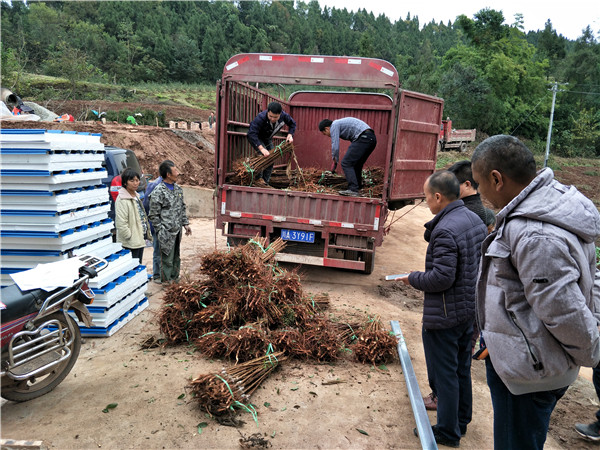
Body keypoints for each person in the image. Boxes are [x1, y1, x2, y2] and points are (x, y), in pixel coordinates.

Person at [471, 134, 600, 450]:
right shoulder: (554, 204)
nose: (479, 192)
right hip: (535, 359)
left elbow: (564, 311)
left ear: (497, 179)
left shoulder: (534, 235)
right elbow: (592, 278)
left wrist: (590, 352)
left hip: (532, 375)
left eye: (478, 183)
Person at [398, 170, 487, 448]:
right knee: (460, 368)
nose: (426, 202)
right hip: (468, 311)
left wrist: (412, 278)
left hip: (446, 314)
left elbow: (441, 278)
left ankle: (448, 432)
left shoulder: (445, 229)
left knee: (446, 372)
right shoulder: (474, 219)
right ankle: (462, 420)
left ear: (438, 196)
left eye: (426, 197)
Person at [148, 160, 192, 283]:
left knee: (175, 256)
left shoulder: (178, 189)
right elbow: (154, 215)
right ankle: (165, 280)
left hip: (177, 230)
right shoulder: (158, 191)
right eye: (175, 171)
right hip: (165, 231)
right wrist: (160, 230)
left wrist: (185, 224)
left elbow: (182, 207)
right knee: (165, 257)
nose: (178, 173)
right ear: (168, 174)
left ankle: (174, 277)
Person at [318, 117, 377, 197]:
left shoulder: (334, 125)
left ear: (327, 128)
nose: (327, 135)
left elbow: (335, 145)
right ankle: (358, 187)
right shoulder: (339, 124)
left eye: (324, 133)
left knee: (346, 163)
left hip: (364, 138)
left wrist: (335, 160)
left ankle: (353, 189)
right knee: (356, 165)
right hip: (371, 139)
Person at [247, 102, 296, 184]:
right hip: (257, 138)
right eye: (270, 116)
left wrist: (290, 135)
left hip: (267, 138)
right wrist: (262, 149)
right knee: (263, 157)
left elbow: (292, 124)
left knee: (271, 158)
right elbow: (251, 134)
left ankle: (266, 182)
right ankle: (257, 180)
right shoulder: (260, 118)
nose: (273, 119)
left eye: (275, 117)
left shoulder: (284, 116)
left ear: (280, 114)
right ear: (267, 112)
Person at [448, 160, 496, 233]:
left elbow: (429, 234)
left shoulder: (465, 212)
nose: (448, 188)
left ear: (467, 185)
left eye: (452, 185)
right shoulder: (484, 211)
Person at [115, 167, 152, 263]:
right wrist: (129, 236)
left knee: (138, 264)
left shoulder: (136, 196)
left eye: (137, 180)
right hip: (131, 241)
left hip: (139, 237)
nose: (136, 183)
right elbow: (121, 222)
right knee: (132, 266)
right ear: (125, 183)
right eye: (132, 181)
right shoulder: (122, 199)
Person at [143, 171, 164, 283]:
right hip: (159, 225)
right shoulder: (155, 185)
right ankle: (157, 275)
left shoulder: (173, 186)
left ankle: (166, 275)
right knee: (158, 251)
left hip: (170, 227)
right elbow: (146, 205)